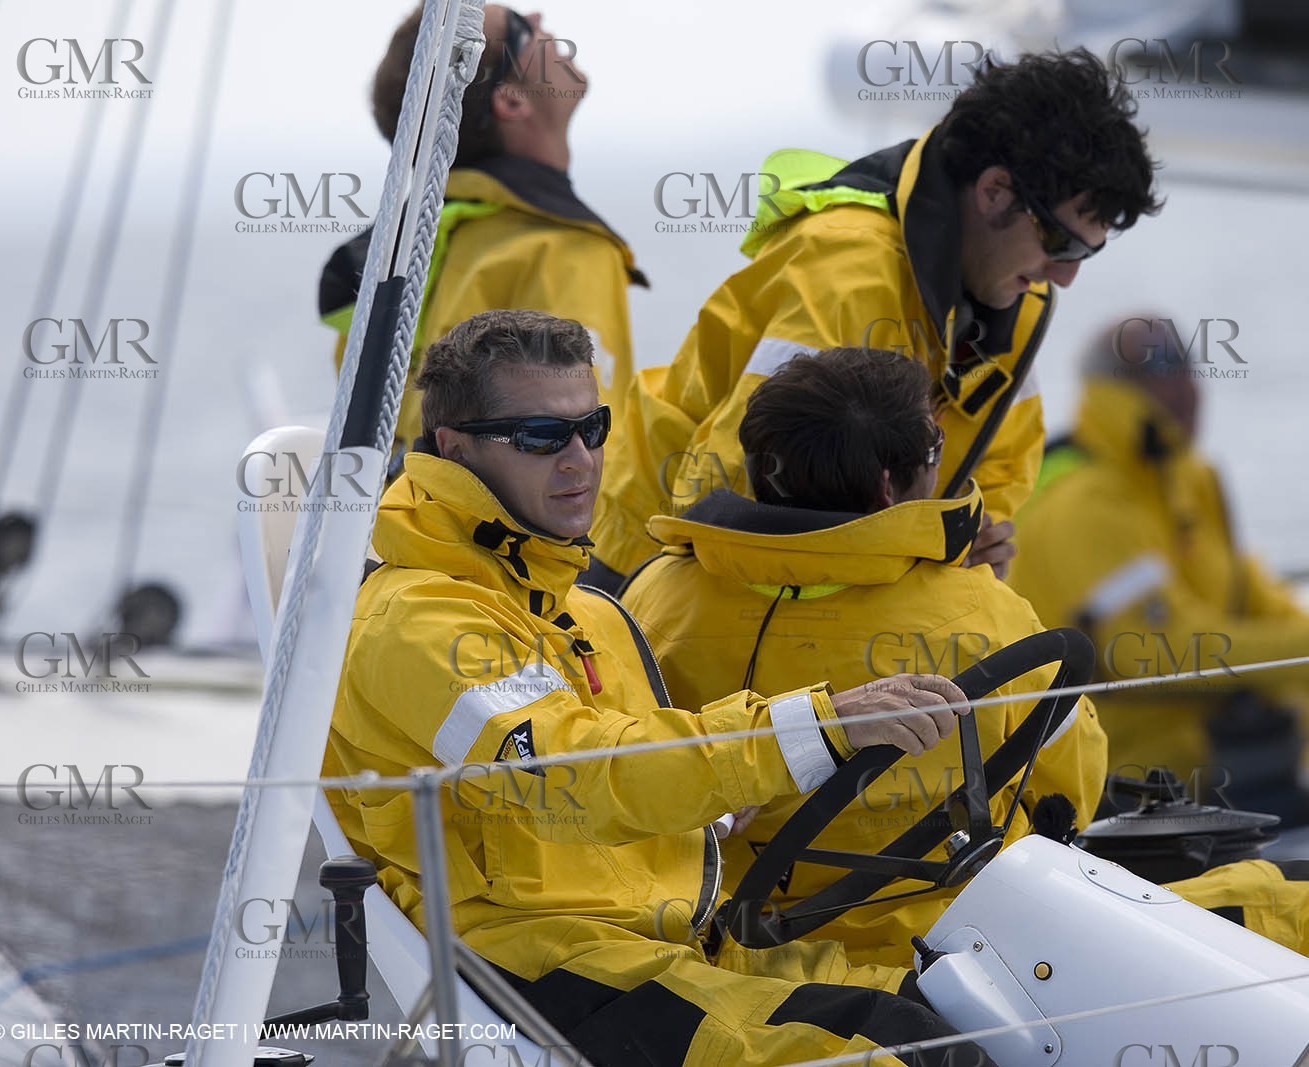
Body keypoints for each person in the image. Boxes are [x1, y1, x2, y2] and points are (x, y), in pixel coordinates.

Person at [621, 346, 1309, 1026]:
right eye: (934, 456)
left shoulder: (653, 598)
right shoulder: (977, 612)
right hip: (967, 954)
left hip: (737, 958)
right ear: (888, 488)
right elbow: (1072, 789)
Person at [322, 309, 999, 1067]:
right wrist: (817, 727)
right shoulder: (414, 621)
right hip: (548, 966)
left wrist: (714, 803)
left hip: (686, 939)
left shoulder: (590, 609)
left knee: (996, 1021)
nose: (580, 460)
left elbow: (624, 771)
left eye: (593, 428)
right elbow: (576, 775)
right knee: (909, 1058)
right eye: (541, 436)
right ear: (454, 448)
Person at [586, 49, 1163, 588]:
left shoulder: (1020, 295)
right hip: (645, 574)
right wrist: (915, 558)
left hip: (823, 597)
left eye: (1087, 253)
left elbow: (1000, 470)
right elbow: (742, 499)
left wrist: (968, 545)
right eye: (1061, 242)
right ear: (994, 191)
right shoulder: (848, 270)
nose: (1064, 276)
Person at [1008, 317, 1309, 826]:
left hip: (1208, 737)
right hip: (1116, 768)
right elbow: (1165, 652)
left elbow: (1272, 614)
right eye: (1160, 365)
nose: (1185, 382)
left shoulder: (1189, 483)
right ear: (1112, 388)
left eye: (1186, 361)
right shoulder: (1085, 505)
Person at [318, 5, 644, 457]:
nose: (536, 16)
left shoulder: (389, 259)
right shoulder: (563, 251)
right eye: (520, 29)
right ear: (512, 102)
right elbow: (587, 459)